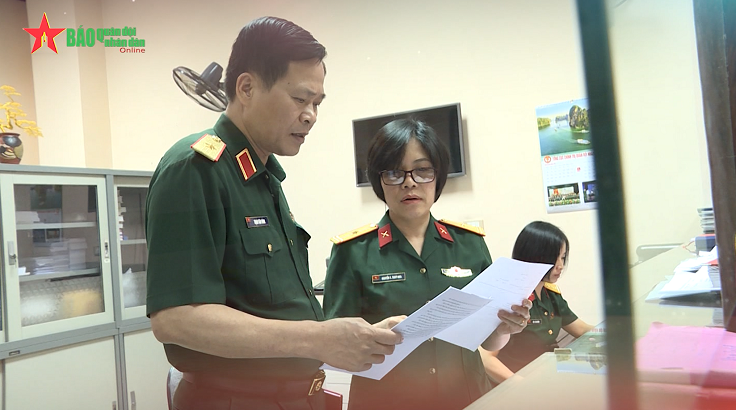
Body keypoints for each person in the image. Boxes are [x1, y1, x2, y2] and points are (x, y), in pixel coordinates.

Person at [145, 16, 403, 410]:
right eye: (300, 99)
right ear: (246, 88)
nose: (310, 115)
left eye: (317, 103)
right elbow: (176, 319)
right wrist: (319, 338)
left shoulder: (262, 177)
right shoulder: (196, 168)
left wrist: (358, 338)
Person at [323, 118, 533, 410]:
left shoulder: (469, 244)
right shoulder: (352, 252)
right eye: (394, 172)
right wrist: (373, 337)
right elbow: (333, 350)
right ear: (379, 180)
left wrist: (506, 327)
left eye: (422, 170)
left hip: (466, 398)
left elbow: (489, 342)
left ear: (438, 177)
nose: (409, 182)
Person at [479, 221, 594, 385]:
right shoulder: (511, 300)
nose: (561, 266)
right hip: (519, 387)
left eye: (563, 258)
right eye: (554, 258)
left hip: (549, 379)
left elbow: (581, 329)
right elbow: (486, 359)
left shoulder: (551, 295)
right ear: (534, 256)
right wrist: (522, 384)